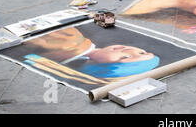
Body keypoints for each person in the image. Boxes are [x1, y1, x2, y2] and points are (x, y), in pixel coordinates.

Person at [23, 27, 160, 84]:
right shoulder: (79, 44)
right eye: (142, 52)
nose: (128, 50)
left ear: (102, 69)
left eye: (124, 58)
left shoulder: (70, 46)